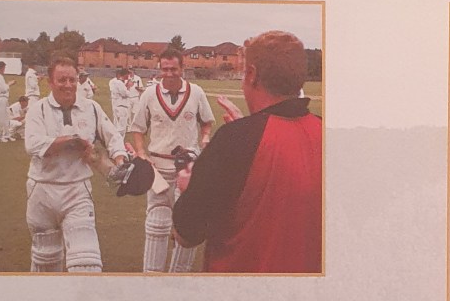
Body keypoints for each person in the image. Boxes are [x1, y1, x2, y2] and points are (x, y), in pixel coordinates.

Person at [172, 30, 322, 273]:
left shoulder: (235, 140)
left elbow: (186, 234)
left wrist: (188, 187)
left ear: (251, 75)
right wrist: (246, 132)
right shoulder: (328, 133)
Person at [23, 56, 128, 272]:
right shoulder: (38, 109)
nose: (68, 85)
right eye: (62, 80)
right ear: (50, 82)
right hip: (42, 190)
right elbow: (32, 145)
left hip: (77, 191)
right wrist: (71, 141)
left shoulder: (91, 108)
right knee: (45, 259)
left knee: (86, 263)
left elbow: (113, 137)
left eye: (72, 79)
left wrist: (120, 160)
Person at [127, 48, 214, 272]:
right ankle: (151, 278)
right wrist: (141, 153)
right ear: (160, 69)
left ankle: (179, 277)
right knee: (156, 224)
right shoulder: (149, 94)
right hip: (158, 167)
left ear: (182, 68)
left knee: (187, 225)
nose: (169, 73)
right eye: (165, 69)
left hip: (188, 168)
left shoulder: (196, 92)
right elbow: (138, 128)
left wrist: (205, 137)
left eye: (173, 69)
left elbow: (206, 121)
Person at [0, 60, 16, 142]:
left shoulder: (0, 76)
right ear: (1, 68)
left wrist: (7, 85)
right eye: (4, 68)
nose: (4, 69)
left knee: (6, 118)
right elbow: (3, 89)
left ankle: (6, 135)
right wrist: (9, 84)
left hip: (4, 99)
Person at [108, 67, 134, 134]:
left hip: (117, 104)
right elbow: (125, 94)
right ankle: (119, 139)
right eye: (128, 74)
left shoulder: (119, 83)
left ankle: (115, 137)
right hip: (121, 106)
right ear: (125, 74)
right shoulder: (119, 83)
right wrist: (129, 87)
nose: (128, 76)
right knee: (122, 127)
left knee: (117, 125)